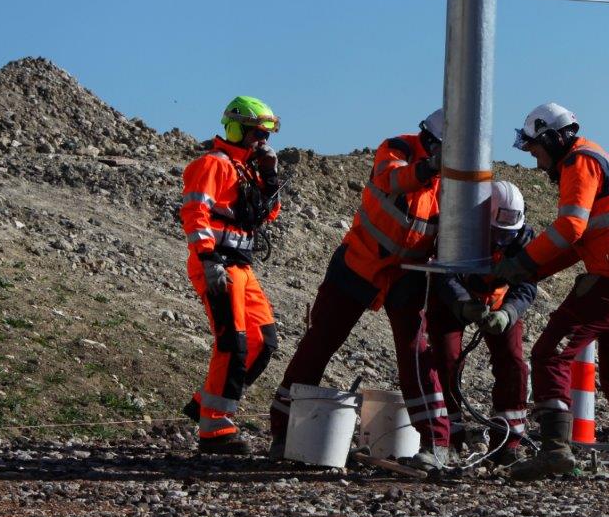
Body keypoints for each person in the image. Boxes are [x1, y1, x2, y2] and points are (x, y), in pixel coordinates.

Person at [493, 102, 609, 482]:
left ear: (554, 139)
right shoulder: (597, 158)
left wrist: (521, 263)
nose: (537, 162)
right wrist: (532, 272)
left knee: (548, 354)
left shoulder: (580, 163)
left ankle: (555, 451)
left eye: (537, 151)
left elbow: (569, 230)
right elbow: (578, 244)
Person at [269, 109, 450, 470]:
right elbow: (392, 179)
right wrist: (429, 168)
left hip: (407, 275)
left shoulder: (456, 180)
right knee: (319, 344)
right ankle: (283, 434)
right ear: (430, 141)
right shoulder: (397, 148)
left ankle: (437, 444)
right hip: (358, 264)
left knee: (416, 356)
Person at [180, 96, 283, 454]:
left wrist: (269, 176)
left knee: (263, 341)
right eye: (257, 134)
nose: (262, 142)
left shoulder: (248, 168)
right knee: (232, 343)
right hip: (218, 264)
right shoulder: (212, 164)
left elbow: (265, 216)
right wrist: (209, 260)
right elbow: (195, 214)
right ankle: (214, 429)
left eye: (265, 136)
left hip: (242, 264)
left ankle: (204, 402)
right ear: (237, 129)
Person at [426, 181, 537, 466]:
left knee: (513, 363)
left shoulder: (524, 239)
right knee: (446, 360)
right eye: (496, 233)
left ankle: (508, 440)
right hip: (454, 301)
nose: (501, 240)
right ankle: (450, 435)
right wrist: (463, 303)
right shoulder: (457, 230)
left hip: (500, 304)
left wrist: (508, 313)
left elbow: (527, 284)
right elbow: (444, 275)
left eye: (506, 235)